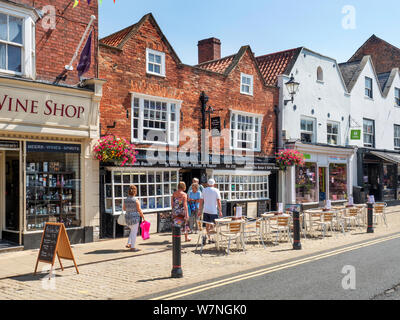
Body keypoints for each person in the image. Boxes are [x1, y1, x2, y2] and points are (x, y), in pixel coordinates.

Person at [199, 178, 222, 244]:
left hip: (206, 210)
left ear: (208, 184)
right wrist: (220, 210)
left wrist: (200, 210)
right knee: (214, 225)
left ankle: (209, 238)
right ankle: (211, 237)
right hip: (213, 211)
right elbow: (218, 201)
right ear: (214, 184)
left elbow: (201, 200)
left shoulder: (204, 190)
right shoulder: (216, 190)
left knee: (207, 225)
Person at [123, 185, 146, 252]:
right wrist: (143, 216)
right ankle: (132, 247)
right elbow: (139, 210)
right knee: (134, 232)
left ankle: (129, 243)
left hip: (127, 218)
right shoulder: (136, 200)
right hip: (134, 218)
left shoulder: (126, 199)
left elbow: (124, 208)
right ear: (135, 192)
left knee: (132, 230)